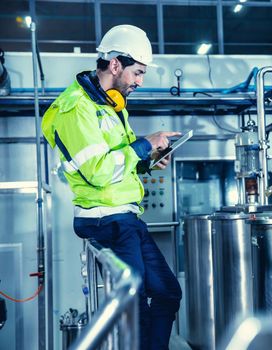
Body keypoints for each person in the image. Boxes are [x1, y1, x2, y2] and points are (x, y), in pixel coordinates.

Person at [42, 24, 182, 349]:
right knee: (136, 307)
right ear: (115, 64)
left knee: (167, 293)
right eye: (137, 72)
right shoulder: (76, 109)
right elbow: (98, 171)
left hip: (126, 219)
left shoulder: (110, 106)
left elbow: (122, 159)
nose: (139, 82)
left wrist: (149, 158)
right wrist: (145, 145)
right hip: (106, 220)